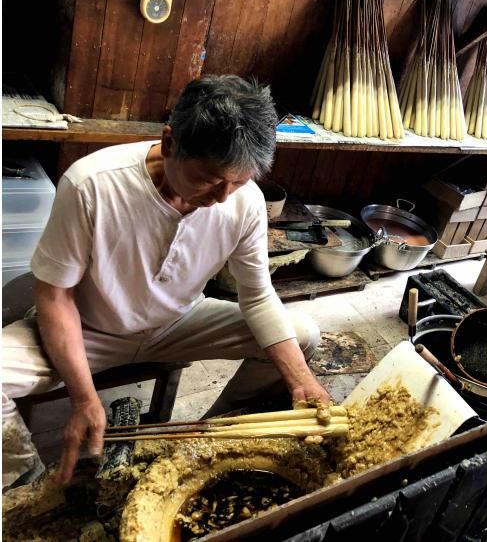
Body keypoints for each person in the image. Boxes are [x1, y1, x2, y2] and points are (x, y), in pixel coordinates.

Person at [1, 75, 330, 489]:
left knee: (302, 338)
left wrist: (301, 379)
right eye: (210, 179)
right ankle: (26, 491)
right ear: (170, 142)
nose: (224, 197)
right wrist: (84, 398)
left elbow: (258, 295)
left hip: (178, 323)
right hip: (89, 331)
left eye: (240, 181)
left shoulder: (242, 203)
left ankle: (208, 441)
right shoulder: (93, 185)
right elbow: (54, 296)